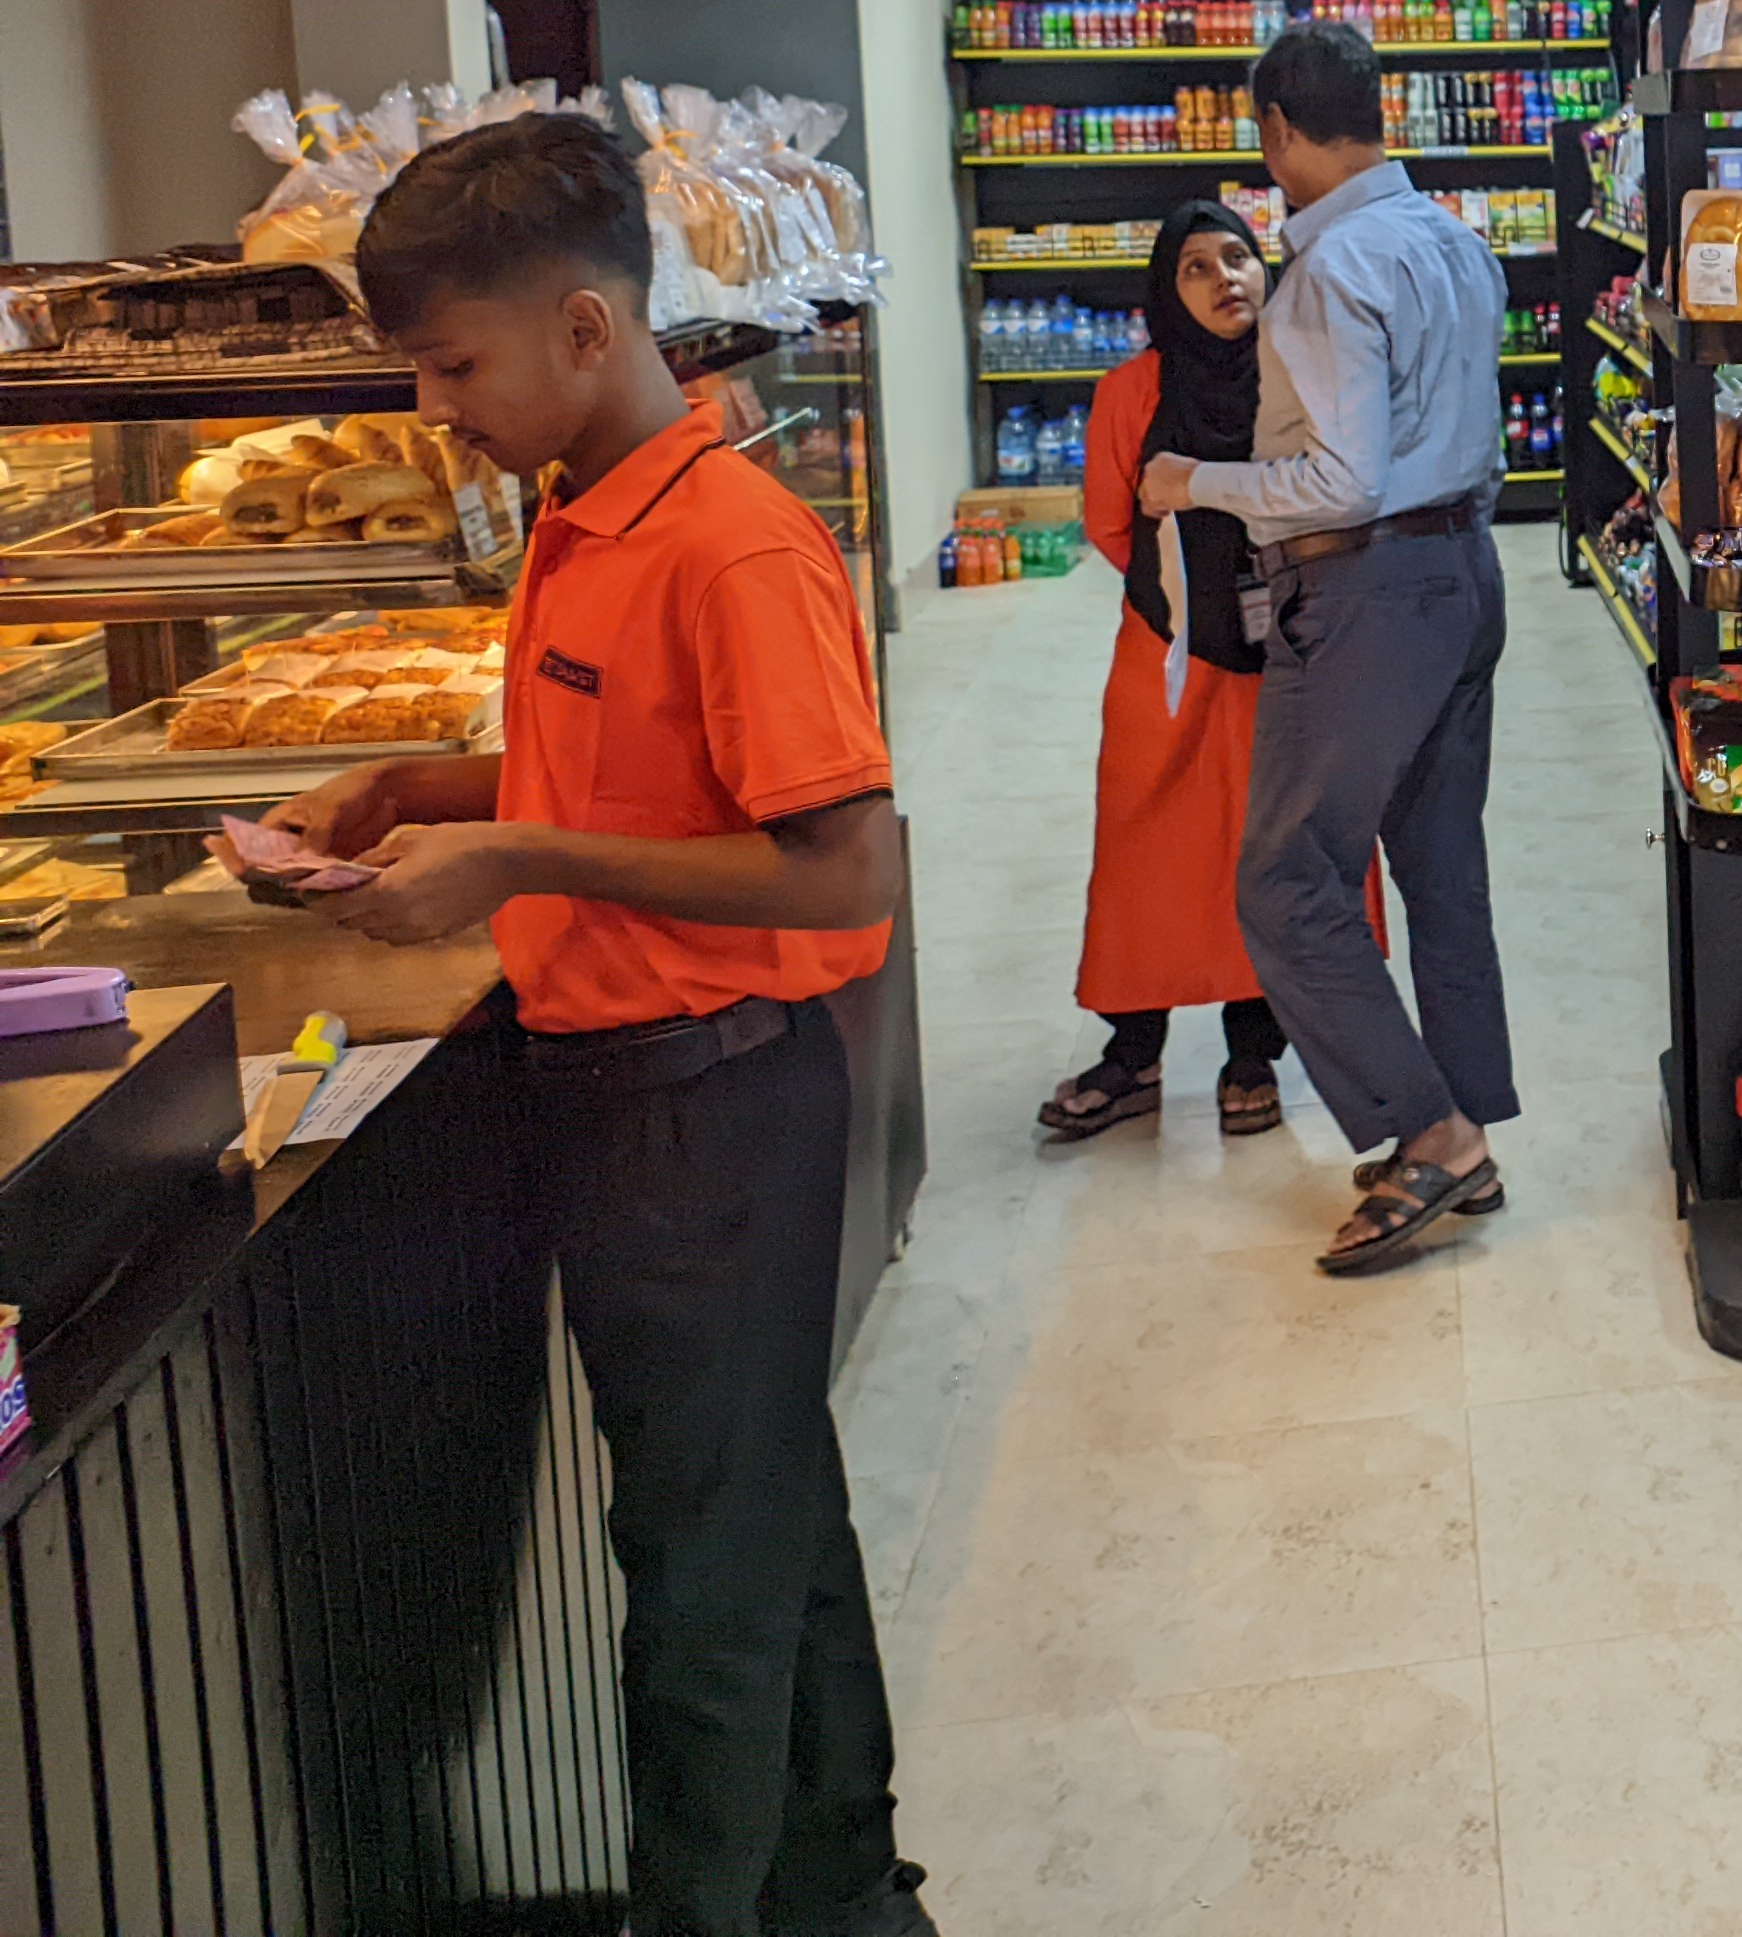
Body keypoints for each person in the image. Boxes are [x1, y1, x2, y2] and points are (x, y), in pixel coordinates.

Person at [234, 112, 927, 1937]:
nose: (434, 406)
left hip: (711, 1117)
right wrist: (420, 785)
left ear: (586, 328)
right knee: (767, 1520)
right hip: (629, 1103)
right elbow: (634, 777)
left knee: (699, 1585)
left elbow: (844, 871)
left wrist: (521, 854)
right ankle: (849, 1892)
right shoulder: (583, 512)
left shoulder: (732, 547)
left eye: (453, 364)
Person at [1141, 18, 1519, 1276]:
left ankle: (1431, 1133)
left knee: (1286, 880)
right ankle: (1468, 1129)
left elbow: (1340, 482)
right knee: (1440, 869)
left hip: (1367, 592)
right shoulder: (1453, 240)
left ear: (1277, 132)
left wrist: (1194, 481)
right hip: (1464, 571)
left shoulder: (1326, 269)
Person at [1040, 199, 1388, 1140]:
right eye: (1195, 267)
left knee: (1273, 844)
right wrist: (1191, 602)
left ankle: (1253, 1050)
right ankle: (1133, 1049)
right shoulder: (1131, 392)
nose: (1224, 278)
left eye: (1237, 257)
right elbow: (1112, 523)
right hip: (1170, 653)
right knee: (1146, 843)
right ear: (1166, 290)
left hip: (1291, 652)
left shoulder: (1303, 376)